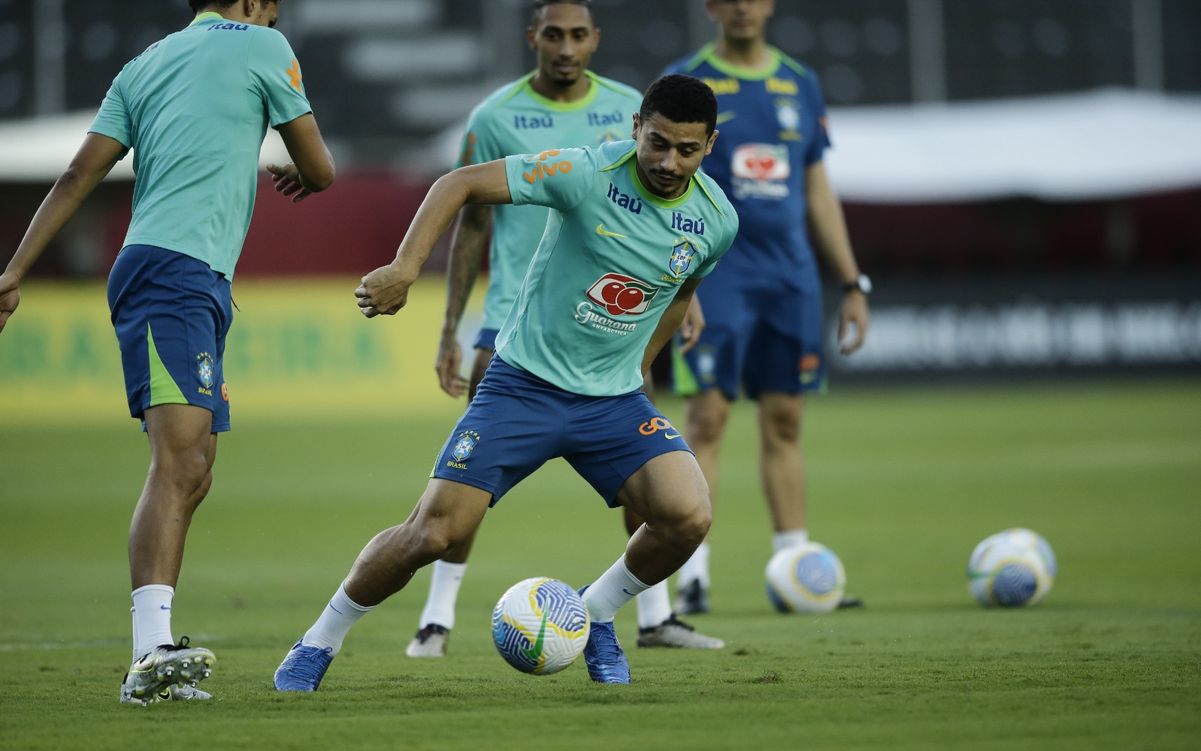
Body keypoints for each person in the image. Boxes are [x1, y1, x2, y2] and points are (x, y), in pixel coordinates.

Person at [273, 73, 736, 690]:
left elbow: (679, 296)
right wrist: (405, 268)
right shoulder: (585, 173)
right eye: (657, 143)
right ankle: (317, 642)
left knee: (688, 514)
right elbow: (458, 183)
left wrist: (639, 366)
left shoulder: (716, 220)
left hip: (613, 402)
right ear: (635, 130)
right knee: (434, 533)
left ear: (709, 146)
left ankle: (595, 613)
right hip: (524, 388)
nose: (668, 161)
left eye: (686, 149)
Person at [0, 0, 334, 704]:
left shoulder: (143, 64)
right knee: (178, 458)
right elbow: (320, 167)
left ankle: (153, 655)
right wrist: (307, 173)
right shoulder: (263, 47)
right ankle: (147, 655)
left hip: (183, 272)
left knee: (197, 464)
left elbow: (75, 176)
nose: (275, 16)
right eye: (272, 6)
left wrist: (14, 271)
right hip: (174, 274)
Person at [410, 0, 722, 658]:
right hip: (512, 322)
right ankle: (436, 616)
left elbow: (669, 230)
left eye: (578, 34)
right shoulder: (494, 116)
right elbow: (472, 221)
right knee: (467, 487)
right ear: (533, 39)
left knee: (644, 480)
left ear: (594, 40)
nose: (566, 46)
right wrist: (450, 328)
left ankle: (653, 616)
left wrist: (678, 299)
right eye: (554, 33)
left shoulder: (629, 108)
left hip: (608, 327)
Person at [663, 0, 870, 614]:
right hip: (718, 274)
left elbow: (816, 187)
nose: (742, 7)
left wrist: (852, 282)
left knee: (785, 421)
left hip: (791, 279)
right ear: (711, 7)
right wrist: (681, 278)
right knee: (707, 419)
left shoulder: (799, 82)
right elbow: (668, 182)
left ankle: (796, 570)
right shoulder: (689, 80)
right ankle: (691, 575)